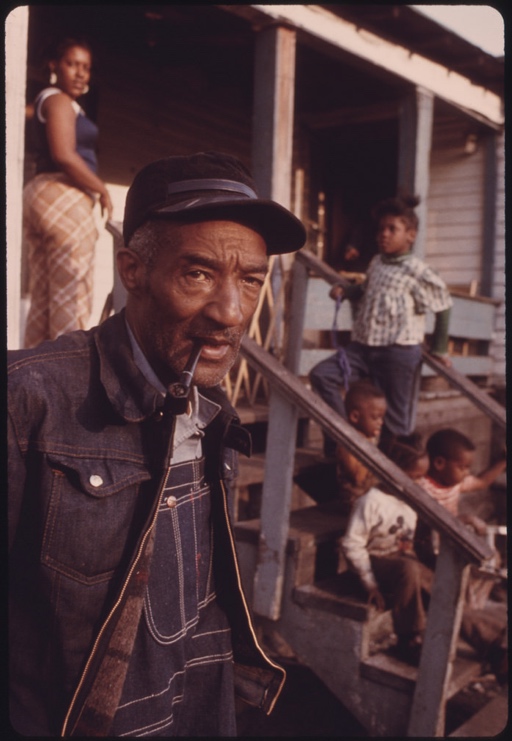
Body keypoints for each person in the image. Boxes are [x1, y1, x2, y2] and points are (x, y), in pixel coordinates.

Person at [8, 151, 306, 736]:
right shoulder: (30, 399)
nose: (230, 312)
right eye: (198, 273)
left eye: (250, 280)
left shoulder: (213, 410)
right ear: (132, 269)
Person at [309, 194, 453, 453]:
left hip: (398, 353)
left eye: (392, 229)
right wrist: (345, 289)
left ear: (410, 235)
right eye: (381, 229)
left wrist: (440, 349)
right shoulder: (376, 262)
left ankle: (390, 477)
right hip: (362, 349)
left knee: (394, 421)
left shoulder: (418, 270)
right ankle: (345, 441)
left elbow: (443, 305)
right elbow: (366, 289)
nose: (383, 234)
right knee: (322, 376)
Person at [23, 37, 113, 348]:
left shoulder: (45, 101)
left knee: (44, 298)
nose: (79, 73)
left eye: (85, 67)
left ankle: (27, 383)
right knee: (71, 294)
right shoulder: (58, 100)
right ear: (54, 66)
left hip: (40, 193)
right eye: (72, 64)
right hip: (63, 194)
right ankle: (67, 382)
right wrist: (101, 189)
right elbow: (64, 154)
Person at [341, 436, 432, 663]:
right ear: (393, 471)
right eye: (415, 477)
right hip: (373, 563)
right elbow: (352, 544)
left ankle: (489, 638)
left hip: (400, 561)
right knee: (409, 569)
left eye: (423, 477)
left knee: (436, 581)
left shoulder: (410, 499)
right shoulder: (372, 502)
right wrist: (369, 582)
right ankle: (409, 637)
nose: (420, 483)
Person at [415, 427, 507, 566]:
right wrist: (466, 519)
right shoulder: (422, 487)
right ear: (439, 463)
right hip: (430, 547)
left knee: (491, 556)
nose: (467, 472)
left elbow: (482, 482)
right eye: (462, 467)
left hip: (452, 539)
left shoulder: (456, 484)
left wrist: (504, 460)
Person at [335, 380, 386, 512]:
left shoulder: (367, 438)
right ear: (355, 417)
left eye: (382, 418)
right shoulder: (349, 443)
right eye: (375, 418)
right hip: (352, 499)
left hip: (367, 494)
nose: (380, 422)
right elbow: (358, 478)